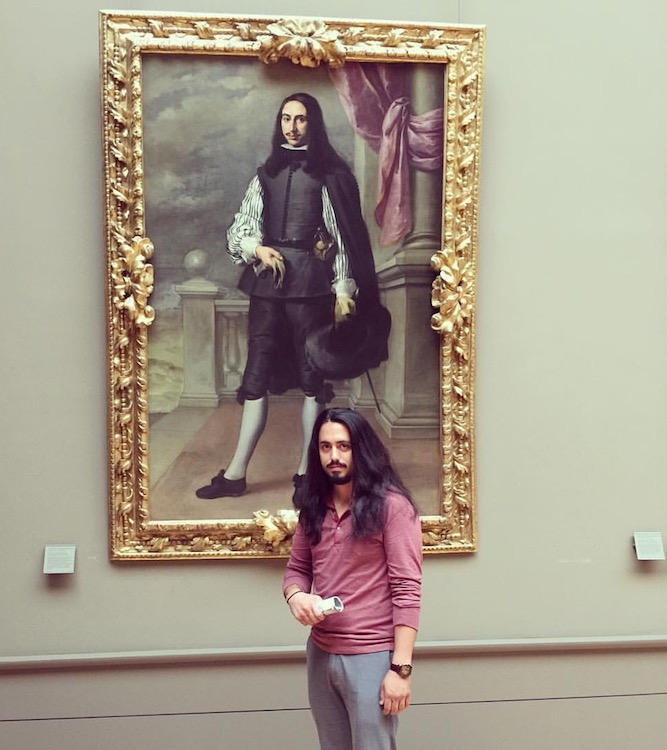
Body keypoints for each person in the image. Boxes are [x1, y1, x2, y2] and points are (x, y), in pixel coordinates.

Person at [196, 93, 387, 500]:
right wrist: (257, 249)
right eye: (286, 118)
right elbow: (241, 228)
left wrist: (342, 290)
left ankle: (306, 475)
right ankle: (235, 474)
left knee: (311, 379)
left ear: (312, 123)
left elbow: (341, 240)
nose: (292, 127)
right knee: (256, 377)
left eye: (300, 119)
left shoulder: (330, 175)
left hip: (311, 288)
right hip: (268, 287)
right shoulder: (265, 174)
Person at [283, 407, 422, 750]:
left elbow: (407, 590)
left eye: (344, 446)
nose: (334, 456)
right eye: (325, 447)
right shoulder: (313, 505)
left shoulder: (394, 507)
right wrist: (296, 596)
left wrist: (400, 670)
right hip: (320, 652)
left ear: (361, 449)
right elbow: (297, 569)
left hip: (371, 655)